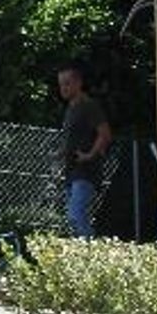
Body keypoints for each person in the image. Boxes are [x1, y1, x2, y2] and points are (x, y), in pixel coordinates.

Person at [56, 60, 110, 237]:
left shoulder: (88, 106)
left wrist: (89, 155)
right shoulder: (71, 108)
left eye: (67, 83)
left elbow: (105, 134)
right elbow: (74, 139)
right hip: (71, 171)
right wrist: (61, 153)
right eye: (61, 84)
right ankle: (82, 253)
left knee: (76, 214)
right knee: (73, 218)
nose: (63, 88)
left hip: (86, 172)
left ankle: (90, 253)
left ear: (79, 83)